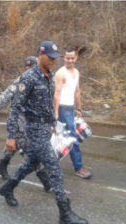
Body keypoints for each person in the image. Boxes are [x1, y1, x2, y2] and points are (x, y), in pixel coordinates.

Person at [0, 41, 88, 224]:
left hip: (46, 129)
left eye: (56, 58)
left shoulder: (49, 77)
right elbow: (15, 108)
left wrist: (54, 123)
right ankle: (65, 214)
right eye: (50, 58)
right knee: (53, 168)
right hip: (34, 131)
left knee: (29, 164)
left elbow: (47, 104)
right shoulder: (28, 78)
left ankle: (7, 188)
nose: (54, 61)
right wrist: (11, 136)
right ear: (40, 55)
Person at [0, 57, 51, 191]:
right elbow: (3, 98)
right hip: (18, 123)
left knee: (15, 145)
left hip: (30, 122)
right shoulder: (20, 82)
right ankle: (45, 180)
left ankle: (1, 166)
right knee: (29, 150)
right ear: (28, 68)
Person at [53, 47, 92, 179]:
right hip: (63, 109)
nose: (69, 60)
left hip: (70, 109)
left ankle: (44, 160)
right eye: (67, 58)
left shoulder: (76, 72)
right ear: (64, 58)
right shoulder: (60, 73)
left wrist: (79, 108)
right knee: (72, 139)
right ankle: (79, 168)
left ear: (76, 58)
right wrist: (56, 113)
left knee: (62, 137)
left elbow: (77, 91)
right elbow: (56, 94)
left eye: (72, 58)